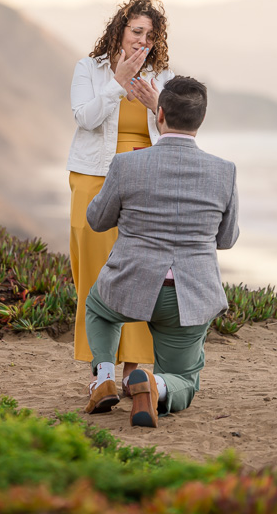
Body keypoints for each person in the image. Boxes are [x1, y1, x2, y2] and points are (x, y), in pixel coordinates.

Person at [83, 76, 239, 426]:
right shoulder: (224, 172)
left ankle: (105, 375)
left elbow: (96, 219)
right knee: (186, 379)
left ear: (160, 114)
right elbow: (226, 239)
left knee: (99, 308)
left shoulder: (126, 165)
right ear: (200, 120)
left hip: (130, 282)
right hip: (189, 294)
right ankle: (156, 385)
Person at [67, 0, 174, 389]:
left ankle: (133, 369)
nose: (142, 41)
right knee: (93, 270)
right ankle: (102, 368)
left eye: (150, 34)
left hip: (144, 181)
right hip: (93, 177)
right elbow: (85, 118)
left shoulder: (162, 77)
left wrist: (156, 104)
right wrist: (116, 84)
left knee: (140, 271)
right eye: (136, 31)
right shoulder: (89, 69)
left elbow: (178, 129)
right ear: (120, 30)